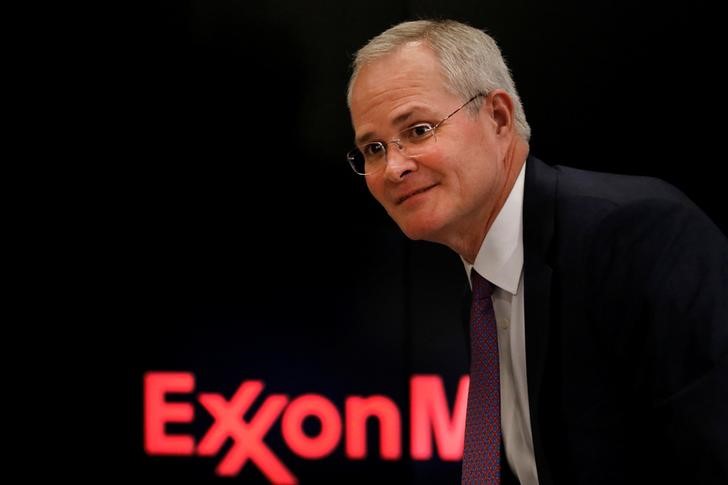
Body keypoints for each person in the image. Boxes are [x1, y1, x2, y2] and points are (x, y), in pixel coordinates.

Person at [345, 19, 727, 485]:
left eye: (420, 129)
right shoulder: (482, 289)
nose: (394, 167)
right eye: (373, 148)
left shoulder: (635, 236)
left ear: (499, 118)